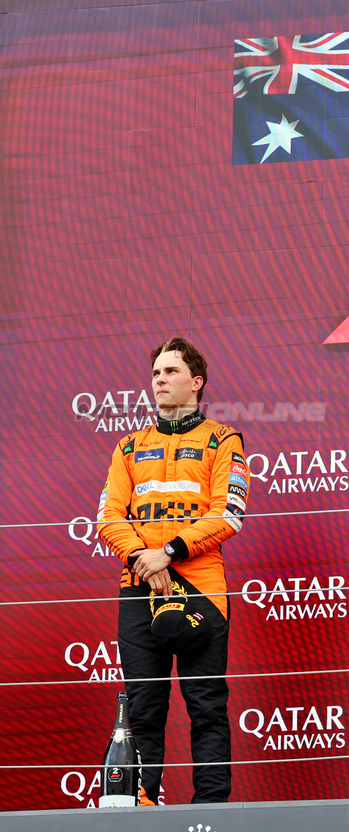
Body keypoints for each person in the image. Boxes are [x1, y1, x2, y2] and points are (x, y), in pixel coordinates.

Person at [97, 338, 249, 803]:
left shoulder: (223, 439)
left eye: (170, 373)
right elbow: (108, 517)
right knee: (144, 708)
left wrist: (170, 552)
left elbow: (231, 512)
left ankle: (211, 810)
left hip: (202, 587)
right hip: (140, 585)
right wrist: (145, 560)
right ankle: (140, 804)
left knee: (206, 706)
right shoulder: (128, 446)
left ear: (196, 382)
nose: (158, 381)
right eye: (155, 374)